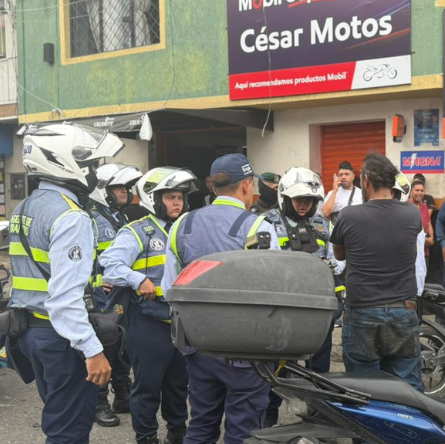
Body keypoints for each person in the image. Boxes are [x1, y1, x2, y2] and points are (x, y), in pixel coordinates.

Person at [7, 124, 119, 443]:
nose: (94, 172)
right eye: (91, 164)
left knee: (58, 419)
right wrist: (92, 350)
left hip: (28, 334)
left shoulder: (25, 207)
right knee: (68, 432)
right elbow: (65, 298)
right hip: (59, 338)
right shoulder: (72, 217)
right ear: (66, 163)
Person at [163, 154, 279, 444]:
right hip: (247, 352)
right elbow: (274, 295)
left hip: (199, 348)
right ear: (247, 185)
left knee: (201, 425)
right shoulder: (258, 228)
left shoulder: (181, 225)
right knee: (244, 431)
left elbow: (170, 290)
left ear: (213, 188)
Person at [100, 167, 199, 444]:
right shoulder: (137, 231)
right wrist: (137, 278)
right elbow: (109, 264)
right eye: (169, 197)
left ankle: (177, 434)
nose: (177, 202)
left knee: (179, 384)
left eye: (179, 196)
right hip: (145, 319)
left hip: (180, 319)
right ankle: (146, 438)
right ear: (152, 198)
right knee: (148, 386)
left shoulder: (187, 230)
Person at [259, 167, 345, 427]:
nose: (304, 204)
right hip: (281, 312)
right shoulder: (265, 222)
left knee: (319, 370)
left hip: (319, 311)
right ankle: (268, 425)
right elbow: (260, 264)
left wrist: (331, 266)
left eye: (309, 200)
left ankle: (319, 423)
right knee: (276, 372)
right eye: (298, 199)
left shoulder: (323, 223)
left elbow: (339, 260)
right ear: (285, 198)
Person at [329, 154, 424, 391]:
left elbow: (340, 255)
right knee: (408, 388)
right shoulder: (412, 213)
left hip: (362, 312)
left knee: (364, 390)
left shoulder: (348, 215)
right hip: (403, 310)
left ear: (367, 180)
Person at [89, 163, 143, 427]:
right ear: (103, 190)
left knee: (120, 345)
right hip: (101, 297)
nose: (125, 191)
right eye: (119, 187)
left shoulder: (118, 216)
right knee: (103, 347)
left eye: (126, 187)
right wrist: (97, 283)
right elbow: (86, 259)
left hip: (118, 295)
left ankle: (122, 396)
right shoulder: (92, 218)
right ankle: (98, 402)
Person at [411, 181, 435, 269]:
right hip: (411, 253)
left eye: (422, 191)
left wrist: (431, 238)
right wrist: (423, 239)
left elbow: (428, 223)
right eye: (417, 190)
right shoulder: (405, 206)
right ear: (411, 191)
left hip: (424, 252)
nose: (419, 193)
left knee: (423, 279)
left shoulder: (424, 207)